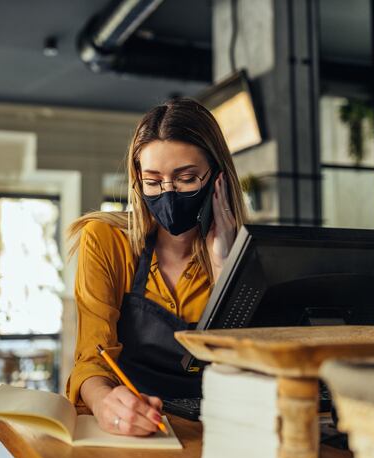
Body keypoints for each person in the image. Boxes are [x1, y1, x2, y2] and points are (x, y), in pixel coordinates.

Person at [66, 98, 248, 436]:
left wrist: (226, 267)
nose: (168, 193)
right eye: (153, 181)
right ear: (138, 182)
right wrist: (105, 401)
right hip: (135, 430)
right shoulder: (105, 240)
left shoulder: (247, 257)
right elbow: (91, 359)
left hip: (218, 432)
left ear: (218, 178)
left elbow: (248, 370)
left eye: (186, 178)